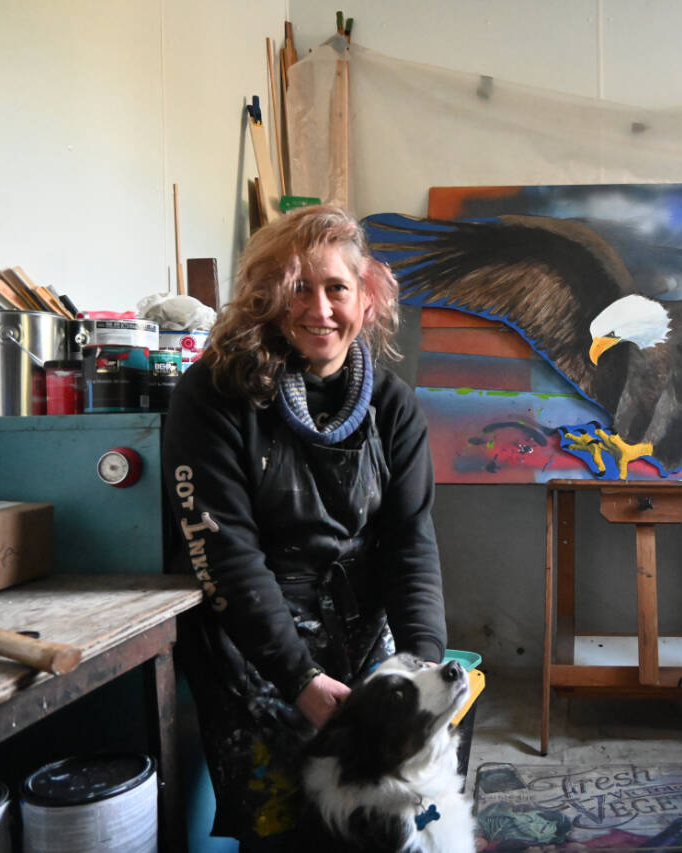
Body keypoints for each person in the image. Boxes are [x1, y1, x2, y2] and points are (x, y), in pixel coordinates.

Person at [161, 205, 447, 849]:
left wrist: (424, 669)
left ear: (366, 300)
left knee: (375, 818)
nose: (319, 309)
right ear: (266, 299)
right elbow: (223, 549)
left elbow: (411, 542)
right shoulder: (212, 394)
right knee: (283, 822)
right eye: (298, 288)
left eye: (336, 288)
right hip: (253, 642)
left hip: (359, 631)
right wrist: (297, 679)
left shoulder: (392, 405)